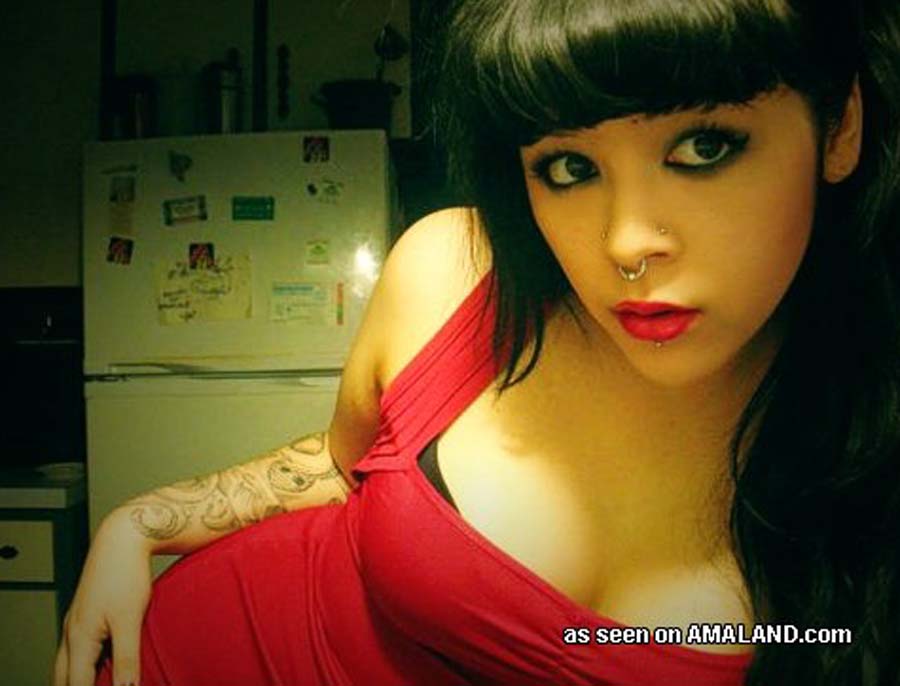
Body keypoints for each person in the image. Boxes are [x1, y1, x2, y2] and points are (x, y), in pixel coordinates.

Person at [56, 0, 900, 684]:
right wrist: (140, 523)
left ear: (840, 127)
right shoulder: (454, 269)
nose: (626, 243)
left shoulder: (866, 453)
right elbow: (349, 463)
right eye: (569, 167)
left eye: (704, 146)